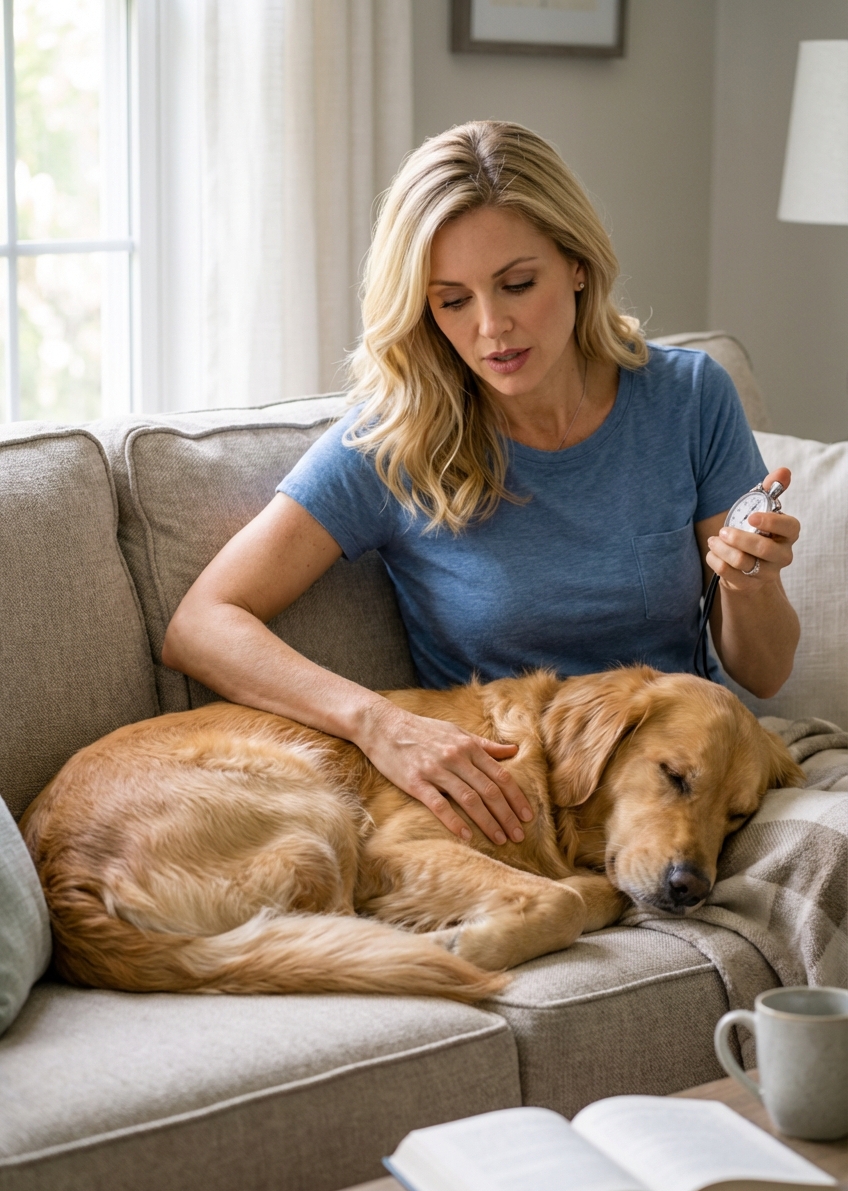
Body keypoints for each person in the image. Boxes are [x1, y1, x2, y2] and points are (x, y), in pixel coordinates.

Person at [162, 120, 800, 852]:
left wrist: (750, 582)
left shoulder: (687, 398)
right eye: (452, 300)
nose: (492, 327)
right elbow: (202, 624)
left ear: (578, 265)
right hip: (517, 815)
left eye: (517, 284)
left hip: (691, 784)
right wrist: (378, 724)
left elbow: (764, 673)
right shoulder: (396, 442)